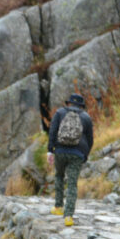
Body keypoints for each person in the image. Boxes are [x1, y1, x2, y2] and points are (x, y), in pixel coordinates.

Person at [48, 93, 94, 227]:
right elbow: (90, 139)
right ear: (81, 105)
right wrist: (85, 154)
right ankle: (68, 216)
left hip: (60, 151)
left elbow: (52, 131)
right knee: (72, 183)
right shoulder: (86, 117)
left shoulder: (60, 113)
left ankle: (58, 207)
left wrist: (50, 150)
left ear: (68, 103)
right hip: (77, 154)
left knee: (59, 176)